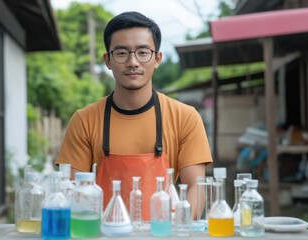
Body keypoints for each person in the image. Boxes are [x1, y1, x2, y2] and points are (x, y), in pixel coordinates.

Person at [56, 11, 213, 220]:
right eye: (121, 53)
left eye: (142, 52)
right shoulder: (84, 120)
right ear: (108, 60)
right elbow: (73, 191)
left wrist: (177, 228)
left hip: (164, 234)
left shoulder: (185, 117)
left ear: (157, 59)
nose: (133, 62)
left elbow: (196, 187)